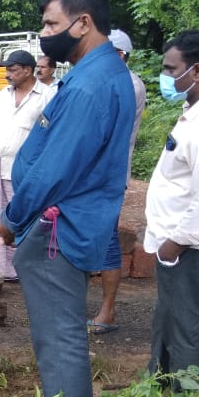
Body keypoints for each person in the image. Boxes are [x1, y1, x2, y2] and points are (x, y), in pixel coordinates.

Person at [0, 0, 136, 397]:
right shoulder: (94, 75)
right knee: (59, 333)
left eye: (50, 23)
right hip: (66, 221)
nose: (44, 33)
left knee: (60, 336)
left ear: (83, 23)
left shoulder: (91, 86)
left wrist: (12, 215)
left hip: (60, 225)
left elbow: (55, 169)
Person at [144, 30, 199, 384]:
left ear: (197, 71)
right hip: (180, 240)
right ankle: (157, 385)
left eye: (170, 68)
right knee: (169, 315)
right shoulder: (197, 109)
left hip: (193, 242)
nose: (166, 75)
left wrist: (177, 241)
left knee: (184, 323)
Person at [86, 29, 147, 334]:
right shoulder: (110, 82)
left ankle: (107, 311)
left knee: (107, 241)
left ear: (120, 55)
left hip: (107, 176)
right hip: (92, 175)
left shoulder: (129, 85)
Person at [0, 50, 51, 280]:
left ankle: (20, 267)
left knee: (22, 215)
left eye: (12, 70)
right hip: (0, 161)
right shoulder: (3, 95)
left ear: (28, 70)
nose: (7, 74)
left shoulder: (47, 96)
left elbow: (49, 135)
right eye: (7, 70)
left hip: (26, 168)